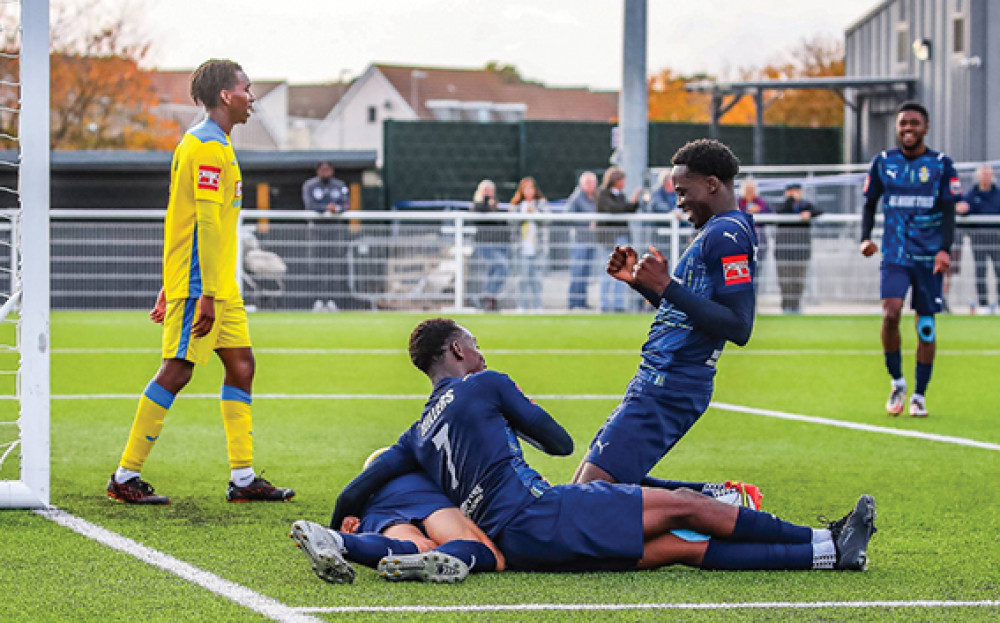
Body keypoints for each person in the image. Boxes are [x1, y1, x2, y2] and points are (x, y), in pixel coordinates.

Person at [325, 318, 877, 578]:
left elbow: (358, 489)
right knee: (686, 504)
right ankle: (827, 536)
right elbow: (561, 443)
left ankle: (829, 554)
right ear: (459, 348)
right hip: (543, 512)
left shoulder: (416, 433)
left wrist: (340, 524)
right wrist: (514, 416)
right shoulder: (485, 384)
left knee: (681, 546)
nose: (482, 352)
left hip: (519, 547)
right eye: (477, 344)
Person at [106, 59, 294, 505]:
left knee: (242, 365)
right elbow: (204, 224)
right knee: (177, 369)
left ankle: (244, 479)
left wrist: (181, 283)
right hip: (203, 285)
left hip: (215, 284)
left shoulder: (216, 144)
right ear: (227, 95)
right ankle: (124, 476)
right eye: (247, 88)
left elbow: (182, 218)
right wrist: (196, 290)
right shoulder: (206, 147)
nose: (252, 97)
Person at [572, 139, 758, 488]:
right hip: (657, 378)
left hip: (673, 383)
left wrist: (667, 286)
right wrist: (644, 285)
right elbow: (691, 314)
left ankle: (717, 502)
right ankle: (717, 499)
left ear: (712, 184)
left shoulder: (728, 235)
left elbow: (739, 326)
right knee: (588, 489)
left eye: (684, 191)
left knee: (591, 493)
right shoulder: (716, 231)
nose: (680, 201)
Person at [860, 101, 962, 418]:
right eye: (903, 123)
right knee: (891, 314)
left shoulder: (942, 165)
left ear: (925, 128)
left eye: (914, 123)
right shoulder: (883, 163)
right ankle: (897, 382)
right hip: (895, 254)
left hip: (929, 257)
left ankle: (919, 395)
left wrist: (945, 249)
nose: (908, 128)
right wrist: (865, 237)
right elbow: (869, 204)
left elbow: (948, 212)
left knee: (926, 327)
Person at [290, 449, 505, 584]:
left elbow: (349, 510)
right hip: (427, 496)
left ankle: (335, 540)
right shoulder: (425, 471)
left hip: (377, 512)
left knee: (414, 546)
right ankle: (437, 557)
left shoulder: (369, 495)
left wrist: (341, 528)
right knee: (491, 555)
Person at [301, 161, 350, 312]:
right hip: (316, 231)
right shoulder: (310, 186)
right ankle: (318, 300)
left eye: (328, 169)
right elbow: (309, 205)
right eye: (322, 169)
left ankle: (331, 300)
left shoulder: (339, 185)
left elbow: (346, 204)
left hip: (335, 232)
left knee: (333, 266)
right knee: (316, 265)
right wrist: (325, 209)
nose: (325, 172)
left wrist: (337, 209)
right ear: (317, 171)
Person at [596, 167, 641, 312]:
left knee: (622, 271)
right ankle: (604, 304)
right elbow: (613, 209)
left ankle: (618, 304)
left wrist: (634, 201)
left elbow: (627, 208)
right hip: (608, 239)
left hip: (621, 237)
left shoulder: (620, 196)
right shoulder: (603, 194)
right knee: (607, 272)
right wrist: (628, 205)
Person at [956, 166, 1000, 314]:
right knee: (980, 270)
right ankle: (984, 303)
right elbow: (963, 208)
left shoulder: (998, 194)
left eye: (988, 175)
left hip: (997, 239)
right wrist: (961, 209)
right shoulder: (971, 194)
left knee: (999, 270)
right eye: (983, 175)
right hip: (978, 239)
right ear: (979, 177)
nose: (986, 178)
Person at [774, 183, 821, 314]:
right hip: (783, 251)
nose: (794, 194)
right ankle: (786, 307)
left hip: (801, 251)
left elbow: (819, 210)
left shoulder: (805, 205)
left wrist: (809, 213)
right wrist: (790, 201)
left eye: (796, 191)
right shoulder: (782, 205)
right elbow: (780, 211)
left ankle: (796, 306)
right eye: (791, 191)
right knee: (784, 281)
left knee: (799, 281)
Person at [470, 179, 511, 311]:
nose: (488, 192)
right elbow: (478, 216)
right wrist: (487, 203)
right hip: (485, 244)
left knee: (495, 270)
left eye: (490, 190)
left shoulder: (498, 205)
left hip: (500, 244)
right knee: (501, 266)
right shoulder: (477, 205)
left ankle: (489, 300)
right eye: (485, 190)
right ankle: (488, 295)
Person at [510, 176, 548, 311]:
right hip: (522, 248)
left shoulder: (541, 204)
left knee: (537, 279)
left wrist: (535, 213)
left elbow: (547, 221)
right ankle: (522, 306)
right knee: (522, 279)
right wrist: (522, 215)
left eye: (531, 188)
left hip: (537, 248)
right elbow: (511, 223)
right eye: (525, 188)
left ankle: (538, 306)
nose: (529, 191)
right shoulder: (516, 206)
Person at [566, 171, 599, 310]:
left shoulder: (596, 197)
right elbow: (568, 216)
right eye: (588, 183)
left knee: (586, 271)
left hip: (592, 239)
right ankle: (574, 302)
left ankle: (582, 301)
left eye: (592, 183)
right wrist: (587, 222)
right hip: (580, 239)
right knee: (577, 270)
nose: (591, 186)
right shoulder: (576, 198)